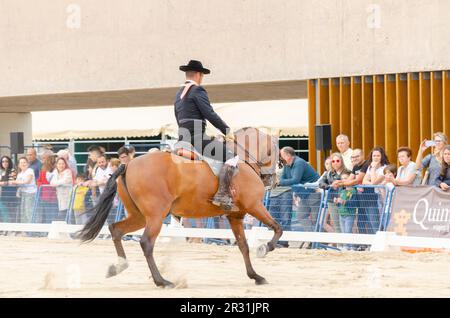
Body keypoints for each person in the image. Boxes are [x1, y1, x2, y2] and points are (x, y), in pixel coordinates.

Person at [175, 60, 237, 210]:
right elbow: (209, 113)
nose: (201, 78)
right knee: (232, 157)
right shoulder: (197, 90)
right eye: (202, 75)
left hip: (182, 137)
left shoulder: (179, 93)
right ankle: (222, 194)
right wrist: (227, 130)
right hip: (196, 138)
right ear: (198, 74)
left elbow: (177, 115)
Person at [269, 147, 319, 246]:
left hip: (314, 193)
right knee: (301, 216)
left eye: (281, 155)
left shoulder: (299, 162)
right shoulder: (287, 164)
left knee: (315, 219)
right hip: (304, 195)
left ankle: (317, 241)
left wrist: (279, 182)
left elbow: (295, 180)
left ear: (288, 155)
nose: (280, 157)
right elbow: (284, 178)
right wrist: (282, 182)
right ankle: (313, 238)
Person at [334, 172, 357, 250]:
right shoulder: (341, 191)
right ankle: (346, 246)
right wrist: (336, 202)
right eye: (342, 179)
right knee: (343, 232)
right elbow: (339, 204)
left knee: (348, 231)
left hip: (349, 214)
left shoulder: (353, 191)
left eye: (346, 178)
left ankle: (351, 246)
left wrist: (344, 201)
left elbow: (354, 203)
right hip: (341, 214)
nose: (344, 180)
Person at [10, 157, 37, 224]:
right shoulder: (20, 173)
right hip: (23, 193)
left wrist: (15, 182)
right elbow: (16, 183)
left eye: (24, 162)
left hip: (31, 193)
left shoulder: (30, 170)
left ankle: (32, 230)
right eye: (21, 162)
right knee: (23, 212)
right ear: (19, 165)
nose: (23, 164)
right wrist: (12, 181)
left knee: (29, 211)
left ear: (27, 164)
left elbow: (27, 181)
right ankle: (25, 230)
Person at [50, 157, 74, 221]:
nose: (61, 165)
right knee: (62, 215)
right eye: (59, 164)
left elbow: (65, 181)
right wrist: (59, 183)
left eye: (63, 163)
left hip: (68, 198)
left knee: (67, 216)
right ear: (56, 165)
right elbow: (52, 183)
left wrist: (57, 183)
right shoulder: (55, 172)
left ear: (65, 164)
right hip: (60, 198)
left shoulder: (68, 171)